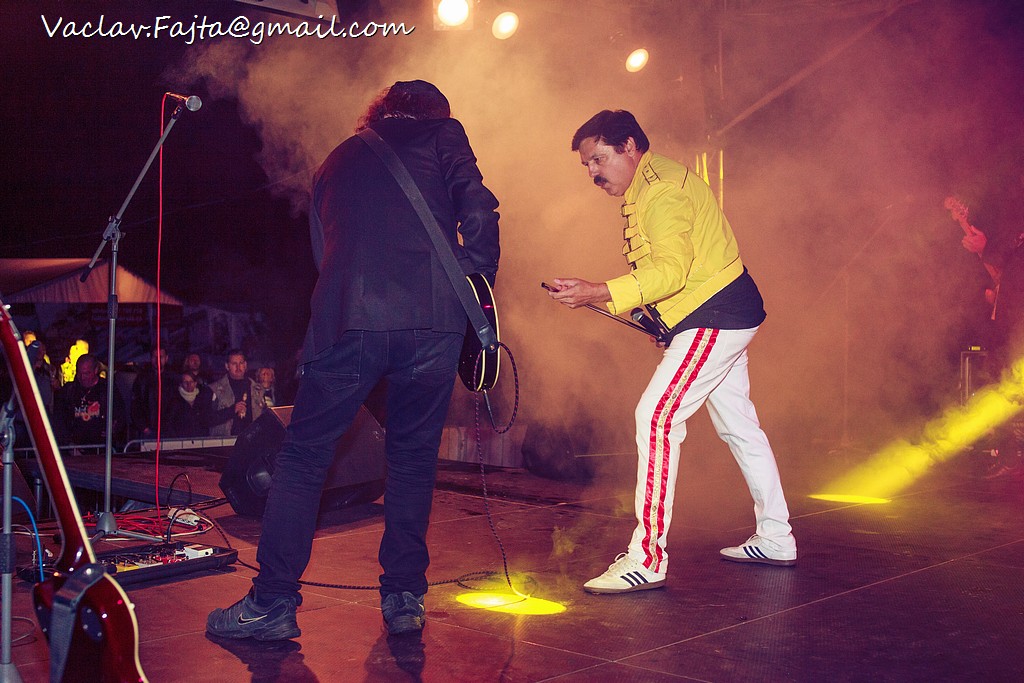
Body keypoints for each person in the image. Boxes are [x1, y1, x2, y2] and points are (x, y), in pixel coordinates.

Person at [207, 80, 499, 640]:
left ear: (380, 110)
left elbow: (325, 254)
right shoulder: (445, 134)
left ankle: (272, 604)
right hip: (433, 322)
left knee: (303, 458)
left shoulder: (335, 160)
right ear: (435, 113)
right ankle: (404, 599)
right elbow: (480, 210)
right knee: (412, 459)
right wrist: (476, 277)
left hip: (351, 319)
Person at [547, 110, 795, 594]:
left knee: (656, 418)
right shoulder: (649, 186)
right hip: (719, 313)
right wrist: (667, 322)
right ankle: (776, 537)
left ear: (630, 147)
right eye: (587, 165)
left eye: (599, 159)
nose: (593, 172)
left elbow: (671, 272)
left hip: (717, 316)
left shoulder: (659, 191)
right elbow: (679, 273)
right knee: (740, 427)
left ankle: (647, 558)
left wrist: (598, 291)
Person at [52, 353, 126, 447]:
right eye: (80, 373)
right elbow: (59, 420)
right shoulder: (69, 390)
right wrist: (68, 444)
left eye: (87, 373)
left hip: (102, 446)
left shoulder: (108, 389)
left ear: (96, 370)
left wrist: (114, 428)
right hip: (74, 447)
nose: (83, 377)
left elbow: (120, 414)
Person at [208, 349, 265, 436]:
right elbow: (207, 419)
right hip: (225, 440)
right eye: (234, 364)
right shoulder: (215, 389)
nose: (238, 367)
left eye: (241, 363)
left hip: (252, 440)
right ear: (227, 366)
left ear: (245, 365)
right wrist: (231, 410)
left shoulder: (258, 390)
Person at [129, 347, 176, 439]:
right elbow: (135, 406)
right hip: (147, 431)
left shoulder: (172, 379)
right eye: (155, 357)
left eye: (161, 357)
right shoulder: (142, 379)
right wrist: (144, 427)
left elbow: (176, 405)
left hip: (168, 431)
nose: (157, 359)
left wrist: (171, 426)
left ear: (166, 358)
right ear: (151, 358)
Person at [165, 372, 214, 438]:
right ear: (181, 384)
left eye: (191, 382)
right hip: (181, 440)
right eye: (185, 382)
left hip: (200, 439)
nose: (189, 384)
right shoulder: (175, 401)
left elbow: (208, 419)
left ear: (195, 383)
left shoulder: (202, 399)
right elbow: (169, 423)